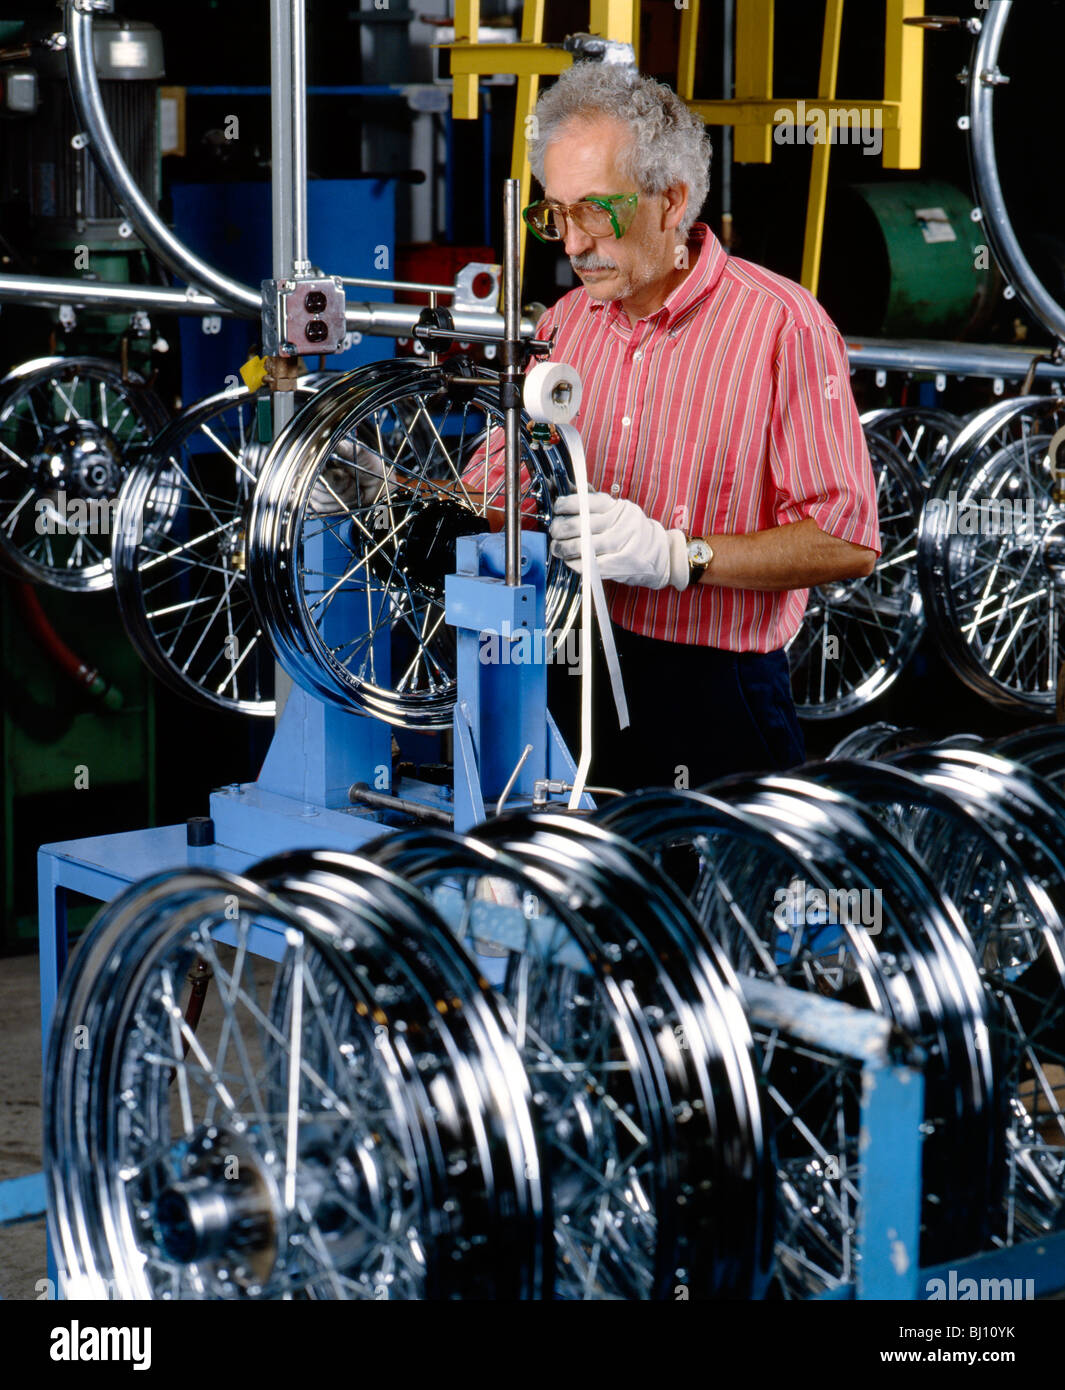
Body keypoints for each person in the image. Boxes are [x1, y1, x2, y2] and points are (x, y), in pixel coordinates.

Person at [518, 63, 880, 791]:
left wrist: (680, 557)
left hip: (716, 697)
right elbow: (501, 483)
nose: (570, 244)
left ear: (670, 203)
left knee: (719, 903)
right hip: (570, 664)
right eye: (553, 213)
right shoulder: (562, 323)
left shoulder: (780, 326)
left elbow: (844, 541)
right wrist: (390, 485)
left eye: (592, 212)